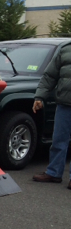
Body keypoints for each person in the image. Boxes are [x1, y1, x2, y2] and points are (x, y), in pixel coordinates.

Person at [32, 43, 71, 189]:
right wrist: (39, 97)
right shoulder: (65, 49)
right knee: (58, 140)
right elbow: (50, 76)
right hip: (64, 104)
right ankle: (54, 173)